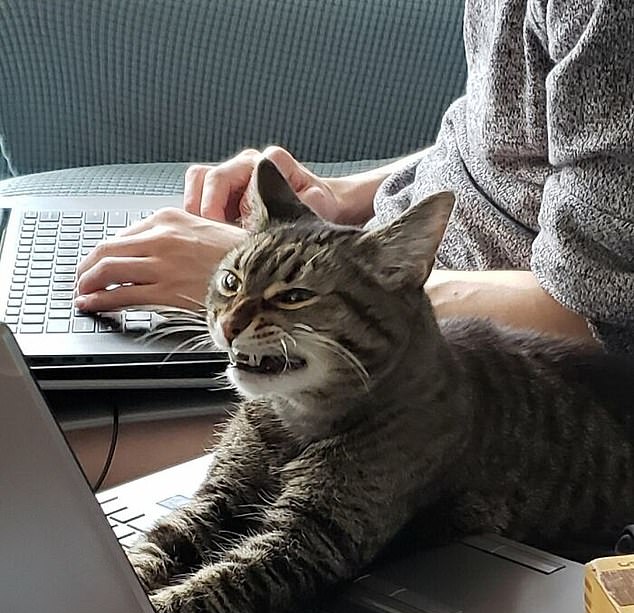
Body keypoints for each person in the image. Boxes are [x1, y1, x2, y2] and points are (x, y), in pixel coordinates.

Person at [75, 0, 634, 355]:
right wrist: (336, 202)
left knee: (28, 449)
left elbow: (597, 315)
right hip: (363, 309)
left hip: (448, 380)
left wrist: (250, 283)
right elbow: (509, 135)